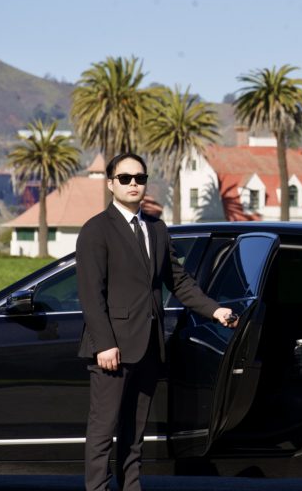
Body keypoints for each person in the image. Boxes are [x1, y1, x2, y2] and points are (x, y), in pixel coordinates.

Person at [76, 153, 233, 491]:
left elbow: (179, 281)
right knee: (103, 431)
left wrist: (214, 310)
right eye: (125, 178)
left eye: (140, 178)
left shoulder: (157, 229)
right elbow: (91, 294)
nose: (134, 184)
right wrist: (104, 343)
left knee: (135, 433)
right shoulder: (96, 230)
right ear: (111, 184)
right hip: (112, 349)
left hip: (148, 347)